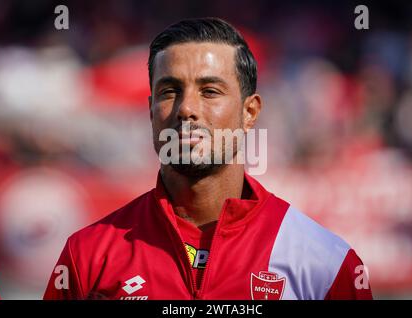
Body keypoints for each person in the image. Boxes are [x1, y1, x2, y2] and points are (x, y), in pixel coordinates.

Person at [43, 17, 372, 300]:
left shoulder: (327, 265)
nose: (186, 108)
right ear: (151, 112)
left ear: (250, 112)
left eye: (210, 91)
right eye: (169, 91)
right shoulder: (87, 255)